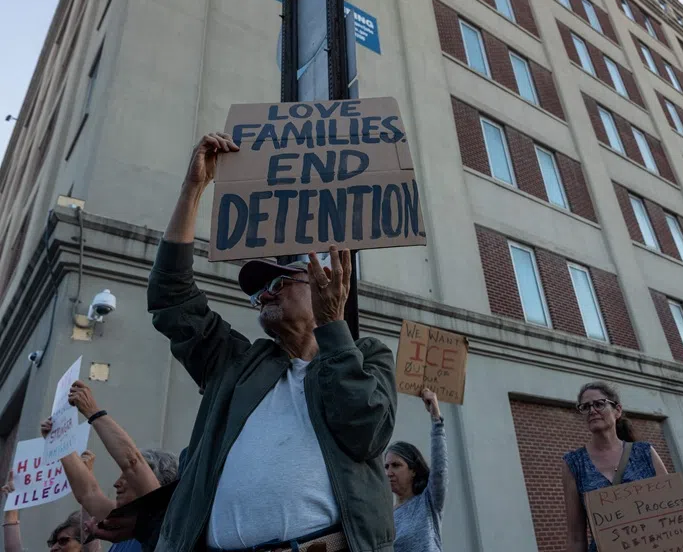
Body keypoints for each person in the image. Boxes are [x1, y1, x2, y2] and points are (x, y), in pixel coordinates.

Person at [146, 133, 397, 551]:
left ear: (323, 284)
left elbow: (365, 432)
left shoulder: (370, 356)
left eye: (279, 281)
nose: (264, 295)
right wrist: (193, 190)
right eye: (257, 291)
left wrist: (333, 324)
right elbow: (172, 299)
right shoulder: (235, 363)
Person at [41, 380, 179, 552]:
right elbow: (87, 493)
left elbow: (132, 462)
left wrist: (93, 411)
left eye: (126, 477)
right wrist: (58, 441)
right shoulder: (129, 526)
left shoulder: (167, 522)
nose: (116, 484)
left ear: (152, 477)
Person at [562, 381, 668, 552]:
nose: (592, 411)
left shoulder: (645, 453)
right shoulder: (574, 463)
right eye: (585, 407)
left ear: (617, 410)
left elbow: (675, 511)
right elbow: (576, 537)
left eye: (599, 404)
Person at [385, 389, 448, 552]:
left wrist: (436, 420)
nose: (389, 472)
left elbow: (440, 470)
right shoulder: (384, 518)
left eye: (396, 465)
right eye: (386, 466)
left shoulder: (428, 502)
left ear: (413, 470)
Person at [1, 463, 101, 552]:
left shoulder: (90, 540)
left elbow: (89, 534)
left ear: (83, 545)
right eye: (54, 543)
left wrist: (86, 477)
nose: (54, 548)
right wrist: (13, 502)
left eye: (63, 541)